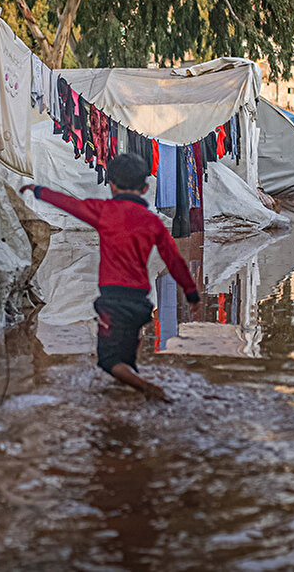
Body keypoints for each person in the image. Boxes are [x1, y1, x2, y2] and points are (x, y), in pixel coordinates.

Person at [21, 154, 200, 402]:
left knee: (107, 361)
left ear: (112, 185)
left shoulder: (104, 211)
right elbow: (174, 261)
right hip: (140, 303)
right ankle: (127, 385)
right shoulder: (152, 222)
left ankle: (147, 388)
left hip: (113, 303)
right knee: (124, 353)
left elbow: (70, 204)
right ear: (145, 188)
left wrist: (39, 191)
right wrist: (191, 293)